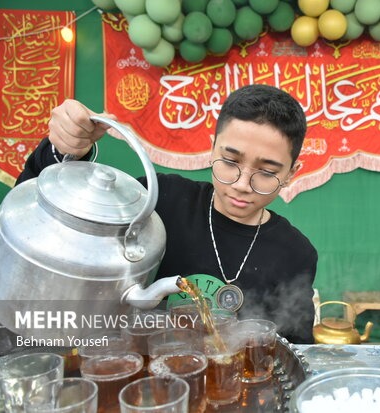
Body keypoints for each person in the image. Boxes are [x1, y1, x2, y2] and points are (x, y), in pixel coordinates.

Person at [17, 84, 318, 343]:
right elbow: (46, 218)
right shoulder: (159, 199)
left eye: (266, 171)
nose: (241, 185)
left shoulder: (296, 252)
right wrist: (62, 150)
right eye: (230, 161)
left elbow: (294, 349)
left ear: (292, 173)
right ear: (212, 149)